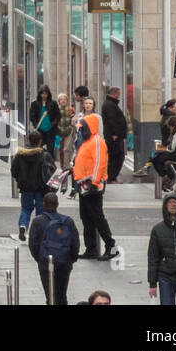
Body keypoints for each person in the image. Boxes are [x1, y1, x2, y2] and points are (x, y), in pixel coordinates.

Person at [72, 112, 118, 261]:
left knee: (97, 217)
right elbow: (83, 162)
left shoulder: (97, 141)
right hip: (84, 184)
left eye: (82, 127)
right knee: (86, 217)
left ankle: (111, 246)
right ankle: (91, 248)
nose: (80, 130)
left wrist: (95, 182)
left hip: (92, 185)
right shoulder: (87, 141)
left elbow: (100, 163)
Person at [28, 192, 79, 305]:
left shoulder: (38, 221)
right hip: (64, 263)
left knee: (50, 295)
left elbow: (33, 245)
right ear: (57, 204)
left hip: (46, 263)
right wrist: (70, 260)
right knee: (62, 294)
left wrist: (41, 259)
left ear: (44, 204)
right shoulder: (67, 221)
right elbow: (75, 243)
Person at [11, 129, 54, 241]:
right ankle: (39, 233)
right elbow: (52, 171)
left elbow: (14, 170)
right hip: (41, 189)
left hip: (26, 188)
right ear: (40, 141)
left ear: (28, 140)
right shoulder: (45, 155)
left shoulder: (20, 155)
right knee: (41, 211)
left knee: (26, 208)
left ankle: (23, 226)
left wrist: (19, 179)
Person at [100, 86, 128, 182]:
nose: (119, 96)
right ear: (115, 93)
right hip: (114, 137)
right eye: (118, 94)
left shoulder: (111, 104)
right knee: (116, 157)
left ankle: (112, 177)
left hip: (115, 136)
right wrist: (115, 133)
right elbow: (111, 120)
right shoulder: (109, 105)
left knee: (117, 156)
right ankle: (111, 177)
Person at [28, 85, 60, 155]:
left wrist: (53, 124)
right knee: (38, 147)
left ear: (48, 94)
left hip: (50, 128)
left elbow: (57, 116)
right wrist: (36, 125)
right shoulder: (35, 103)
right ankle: (39, 163)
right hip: (40, 128)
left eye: (45, 93)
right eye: (42, 93)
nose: (44, 95)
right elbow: (32, 115)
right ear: (39, 94)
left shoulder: (53, 103)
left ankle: (50, 163)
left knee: (50, 147)